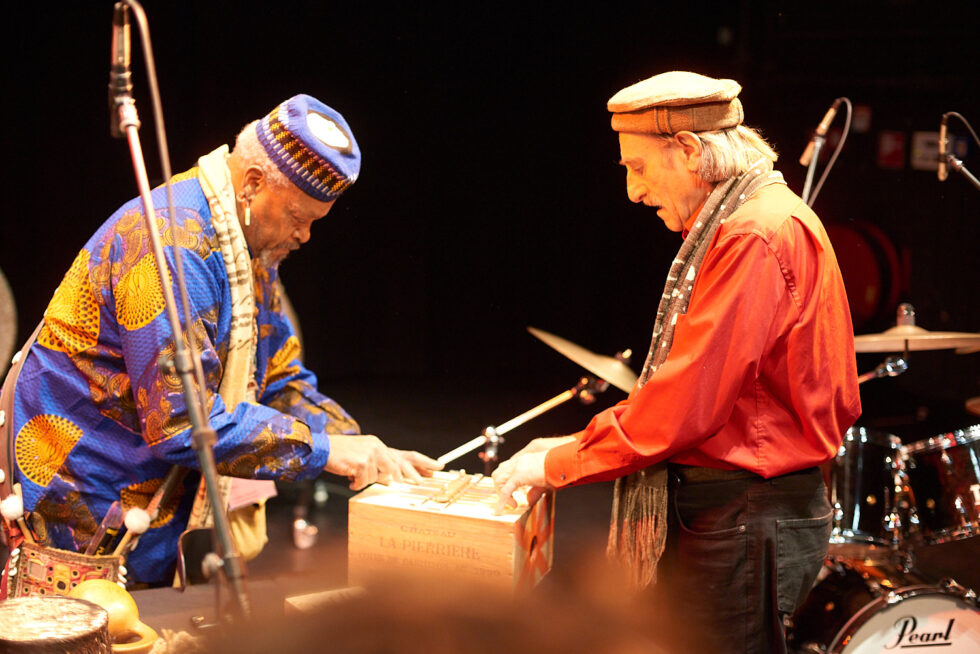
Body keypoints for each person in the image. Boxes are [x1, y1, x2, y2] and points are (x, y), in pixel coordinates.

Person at [1, 94, 440, 588]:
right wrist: (322, 450)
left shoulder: (246, 246)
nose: (306, 236)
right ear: (252, 184)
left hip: (144, 498)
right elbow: (181, 422)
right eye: (300, 217)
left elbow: (278, 378)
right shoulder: (172, 244)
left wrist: (364, 447)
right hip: (79, 487)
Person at [493, 71, 861, 653]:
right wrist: (571, 442)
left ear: (689, 150)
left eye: (638, 169)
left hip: (746, 513)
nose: (634, 192)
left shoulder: (753, 233)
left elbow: (687, 402)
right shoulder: (750, 219)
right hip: (739, 511)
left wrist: (563, 461)